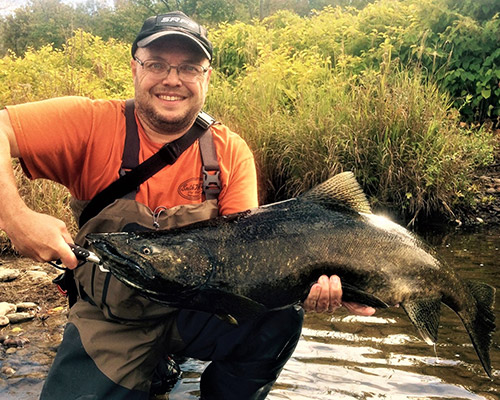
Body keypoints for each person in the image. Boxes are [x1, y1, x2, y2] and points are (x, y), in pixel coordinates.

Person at [0, 11, 374, 399]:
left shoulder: (229, 151)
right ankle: (148, 368)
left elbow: (248, 265)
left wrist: (304, 285)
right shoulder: (92, 123)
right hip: (112, 319)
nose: (172, 79)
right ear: (135, 69)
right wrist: (16, 217)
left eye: (189, 67)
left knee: (277, 319)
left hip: (196, 313)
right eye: (157, 64)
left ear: (206, 76)